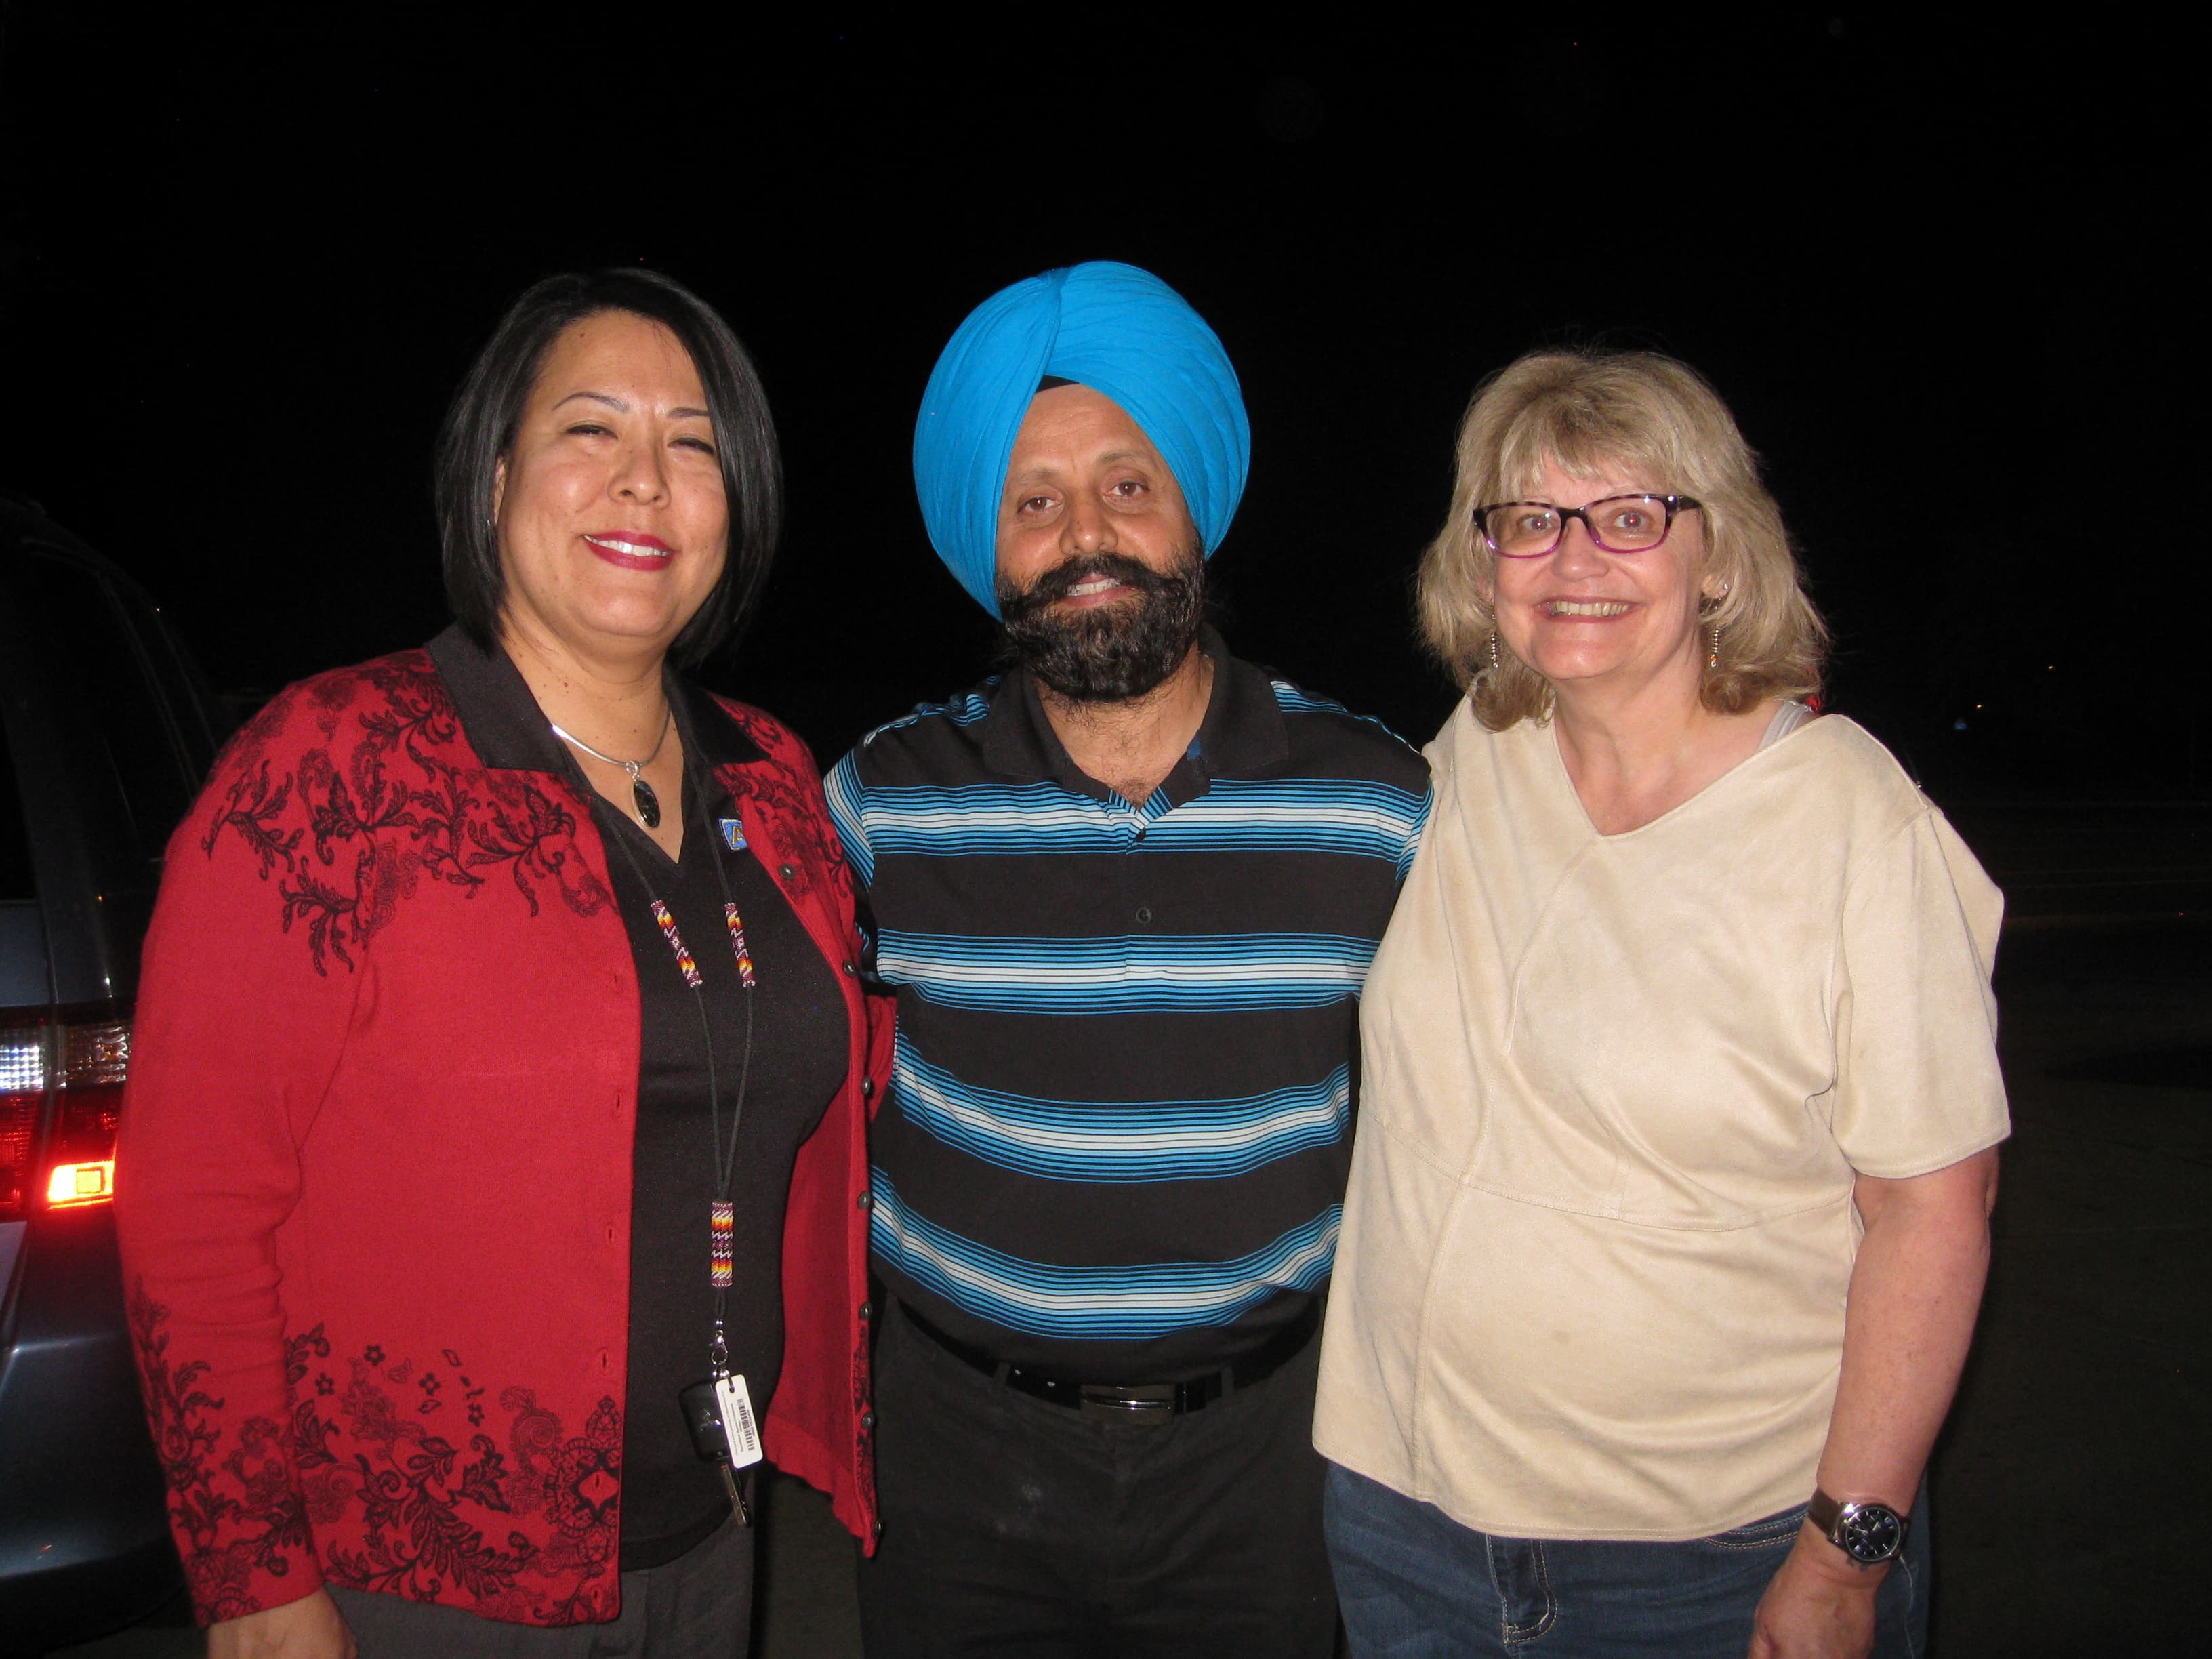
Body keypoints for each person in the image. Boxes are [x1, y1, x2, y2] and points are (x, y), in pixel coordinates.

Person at [114, 268, 886, 1658]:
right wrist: (255, 1579)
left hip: (716, 1531)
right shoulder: (332, 765)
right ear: (492, 479)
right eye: (590, 429)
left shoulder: (773, 779)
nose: (645, 482)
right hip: (411, 1582)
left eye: (695, 443)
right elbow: (191, 1208)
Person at [1313, 348, 2009, 1658]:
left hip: (1715, 1558)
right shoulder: (1463, 764)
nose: (1575, 560)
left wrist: (1848, 1551)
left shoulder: (1849, 817)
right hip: (1405, 1524)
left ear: (1721, 559)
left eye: (1631, 517)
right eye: (1531, 522)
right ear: (1484, 566)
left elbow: (1933, 1208)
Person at [825, 260, 1431, 1658]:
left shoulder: (1376, 805)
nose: (1084, 534)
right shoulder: (882, 805)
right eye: (1034, 501)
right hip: (956, 1456)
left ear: (1197, 514)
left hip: (1267, 1458)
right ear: (986, 542)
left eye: (1127, 485)